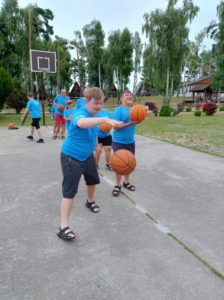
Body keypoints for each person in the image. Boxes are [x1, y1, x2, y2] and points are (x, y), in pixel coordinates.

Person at [57, 87, 122, 241]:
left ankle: (90, 201)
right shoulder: (80, 113)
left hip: (87, 156)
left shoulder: (96, 114)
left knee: (92, 181)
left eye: (101, 103)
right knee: (69, 192)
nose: (99, 106)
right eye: (96, 103)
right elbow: (82, 123)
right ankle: (63, 226)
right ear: (87, 101)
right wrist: (104, 119)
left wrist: (96, 145)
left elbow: (92, 132)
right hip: (71, 157)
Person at [111, 90, 138, 196]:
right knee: (120, 163)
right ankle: (117, 185)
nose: (129, 96)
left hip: (130, 141)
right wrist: (129, 124)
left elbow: (136, 121)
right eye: (127, 95)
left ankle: (126, 182)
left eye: (130, 95)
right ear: (121, 99)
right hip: (118, 141)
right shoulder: (118, 110)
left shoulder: (134, 110)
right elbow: (115, 126)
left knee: (129, 163)